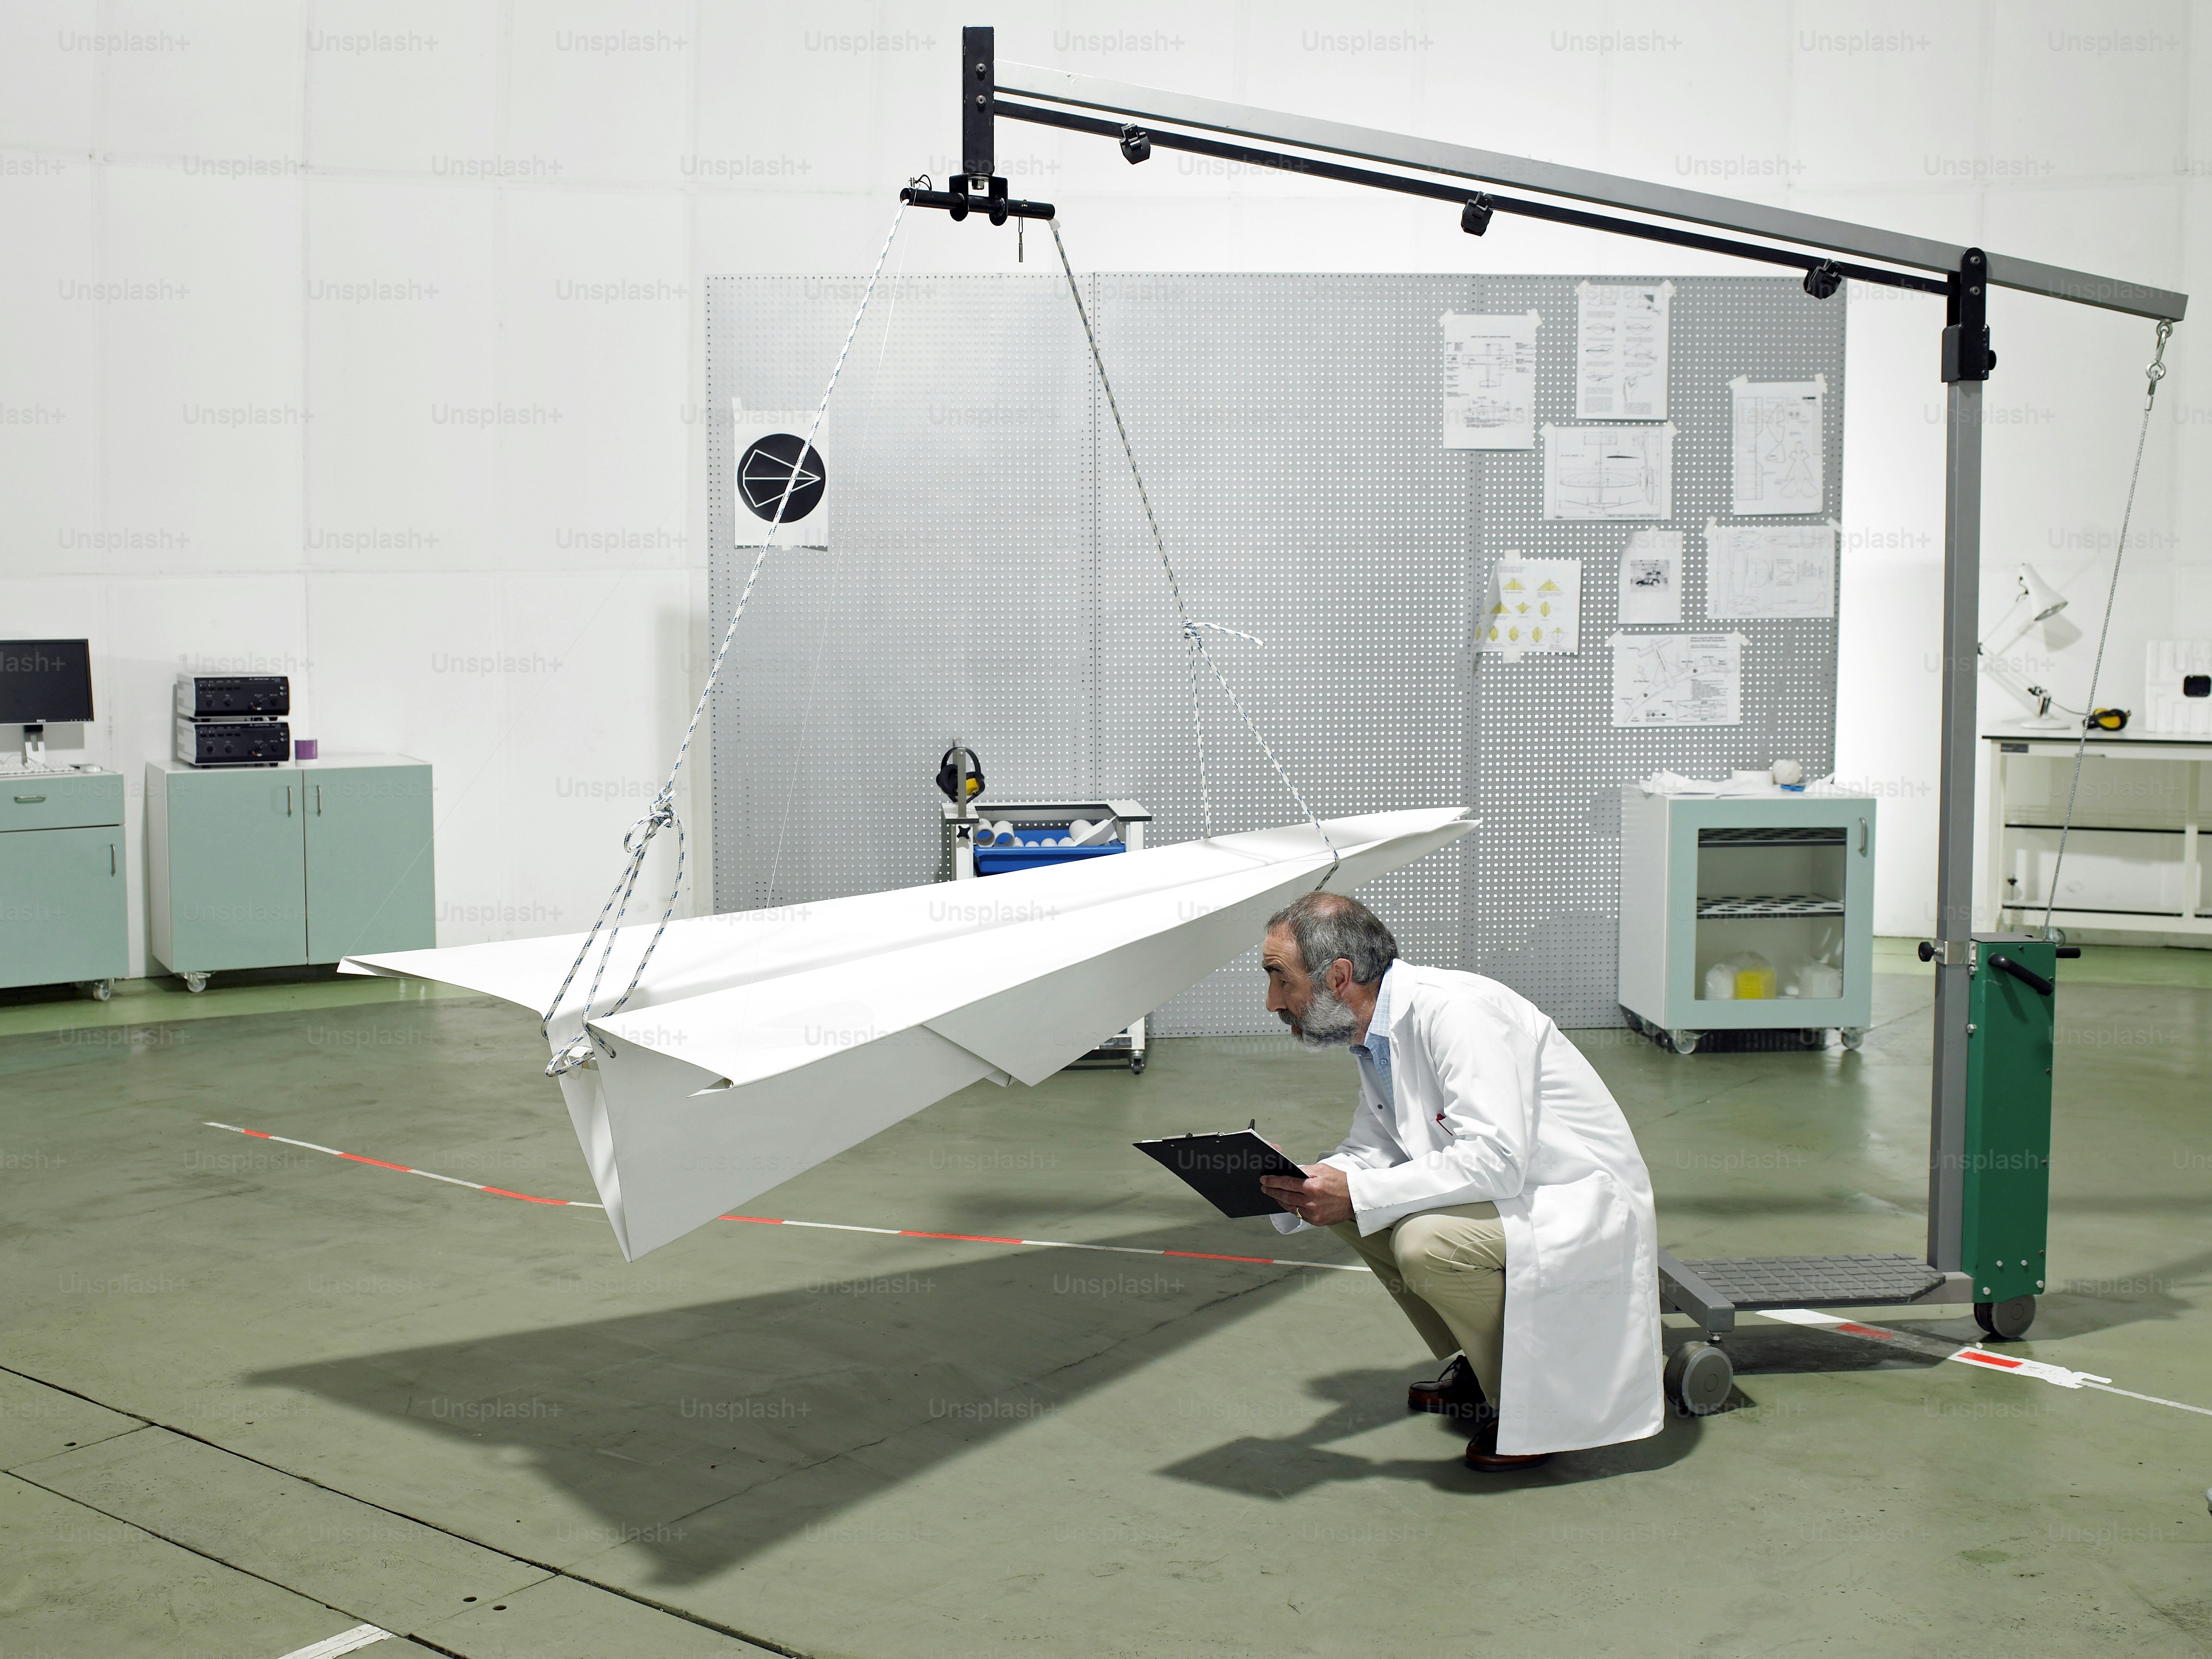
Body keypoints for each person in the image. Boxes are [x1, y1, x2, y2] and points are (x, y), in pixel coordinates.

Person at [1256, 892, 1662, 1472]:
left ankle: (1537, 1412)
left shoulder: (1456, 1013)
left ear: (1339, 977)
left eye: (1279, 978)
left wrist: (1360, 1191)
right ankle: (1482, 1362)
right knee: (1340, 1209)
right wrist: (1306, 1184)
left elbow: (1498, 1158)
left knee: (1425, 1243)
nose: (1273, 1002)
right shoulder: (1376, 1034)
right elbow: (1375, 1148)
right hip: (1513, 1192)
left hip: (1571, 1196)